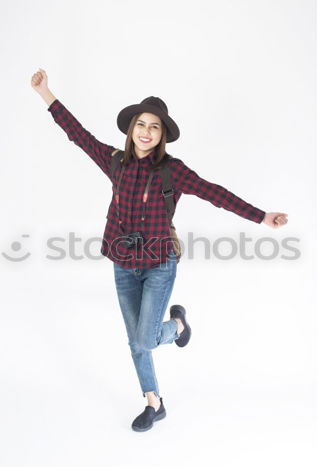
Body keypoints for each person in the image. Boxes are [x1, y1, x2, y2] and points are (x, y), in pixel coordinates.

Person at [31, 68, 288, 432]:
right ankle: (154, 402)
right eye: (142, 124)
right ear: (131, 127)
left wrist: (262, 217)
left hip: (158, 264)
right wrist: (46, 93)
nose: (146, 132)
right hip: (122, 264)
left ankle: (179, 324)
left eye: (155, 127)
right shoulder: (115, 161)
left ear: (162, 135)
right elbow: (78, 135)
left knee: (144, 337)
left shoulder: (173, 171)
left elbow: (216, 194)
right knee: (137, 341)